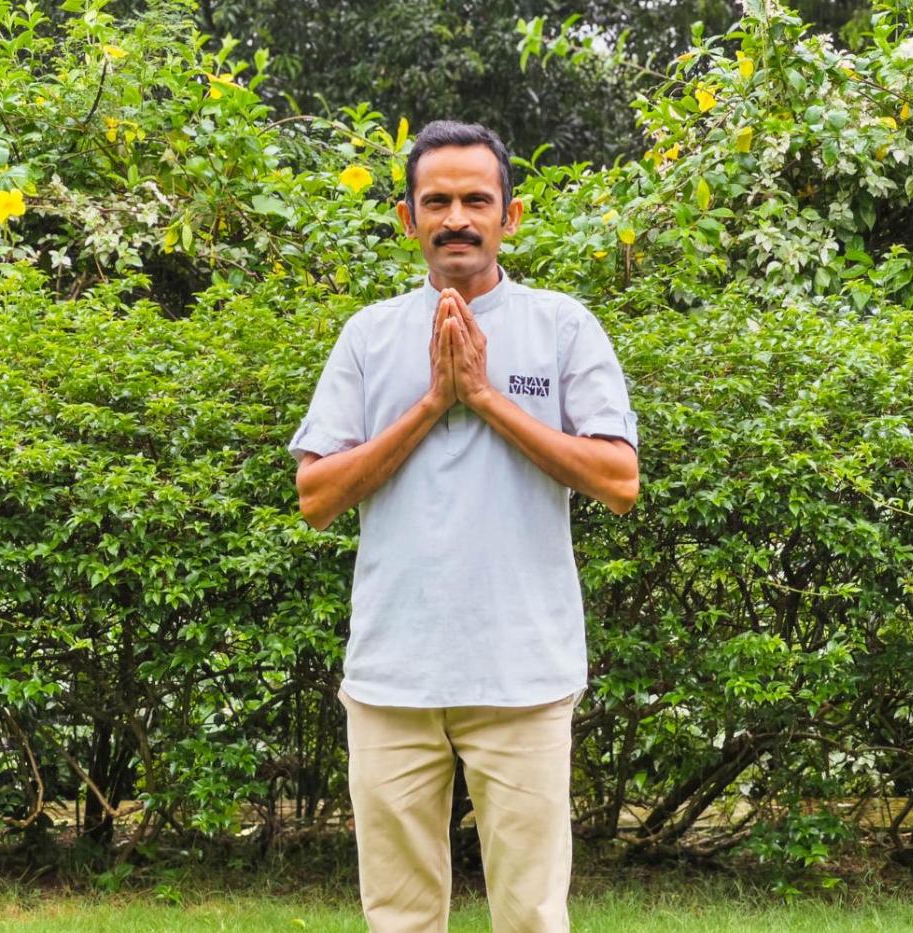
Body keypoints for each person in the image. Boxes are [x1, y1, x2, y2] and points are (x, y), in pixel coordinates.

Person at [287, 120, 639, 933]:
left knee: (531, 915)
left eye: (476, 200)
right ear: (406, 218)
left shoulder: (562, 327)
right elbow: (316, 496)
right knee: (399, 917)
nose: (456, 219)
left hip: (524, 674)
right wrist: (430, 405)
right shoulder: (370, 335)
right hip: (392, 677)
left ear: (509, 216)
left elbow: (619, 480)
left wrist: (483, 398)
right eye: (436, 201)